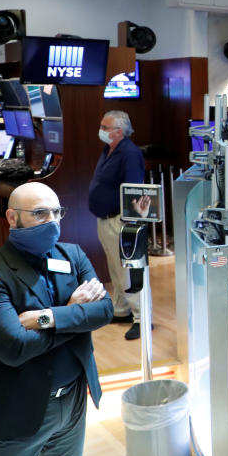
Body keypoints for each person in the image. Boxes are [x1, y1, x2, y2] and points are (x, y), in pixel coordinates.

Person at [0, 182, 113, 456]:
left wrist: (48, 317)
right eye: (40, 213)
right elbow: (15, 348)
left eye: (57, 213)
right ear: (12, 217)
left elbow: (104, 310)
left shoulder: (74, 255)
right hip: (19, 409)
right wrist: (75, 316)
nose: (52, 221)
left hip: (73, 400)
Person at [88, 110, 146, 340]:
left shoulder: (130, 153)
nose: (101, 130)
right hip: (104, 219)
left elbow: (133, 187)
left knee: (129, 272)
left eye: (105, 126)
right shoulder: (108, 149)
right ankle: (121, 310)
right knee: (115, 269)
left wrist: (128, 220)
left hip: (119, 220)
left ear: (119, 131)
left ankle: (142, 318)